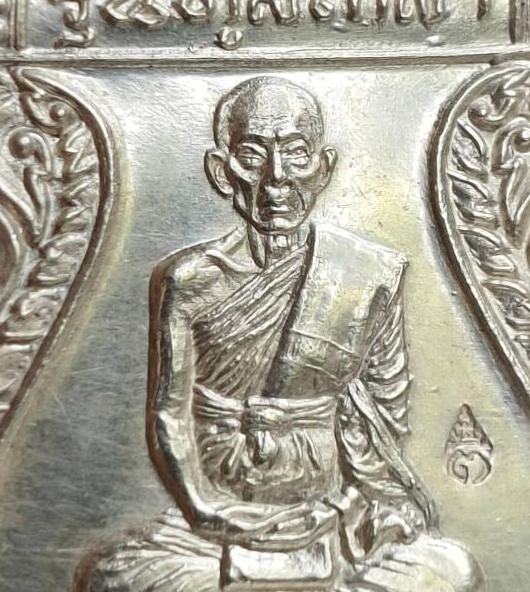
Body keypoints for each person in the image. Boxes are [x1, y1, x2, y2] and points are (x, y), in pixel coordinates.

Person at [75, 77, 484, 592]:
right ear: (221, 171)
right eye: (252, 156)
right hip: (216, 522)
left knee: (451, 572)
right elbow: (168, 413)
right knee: (113, 577)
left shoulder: (365, 274)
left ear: (324, 167)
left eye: (296, 154)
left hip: (333, 515)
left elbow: (384, 416)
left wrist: (346, 506)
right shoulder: (191, 280)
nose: (277, 181)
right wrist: (203, 510)